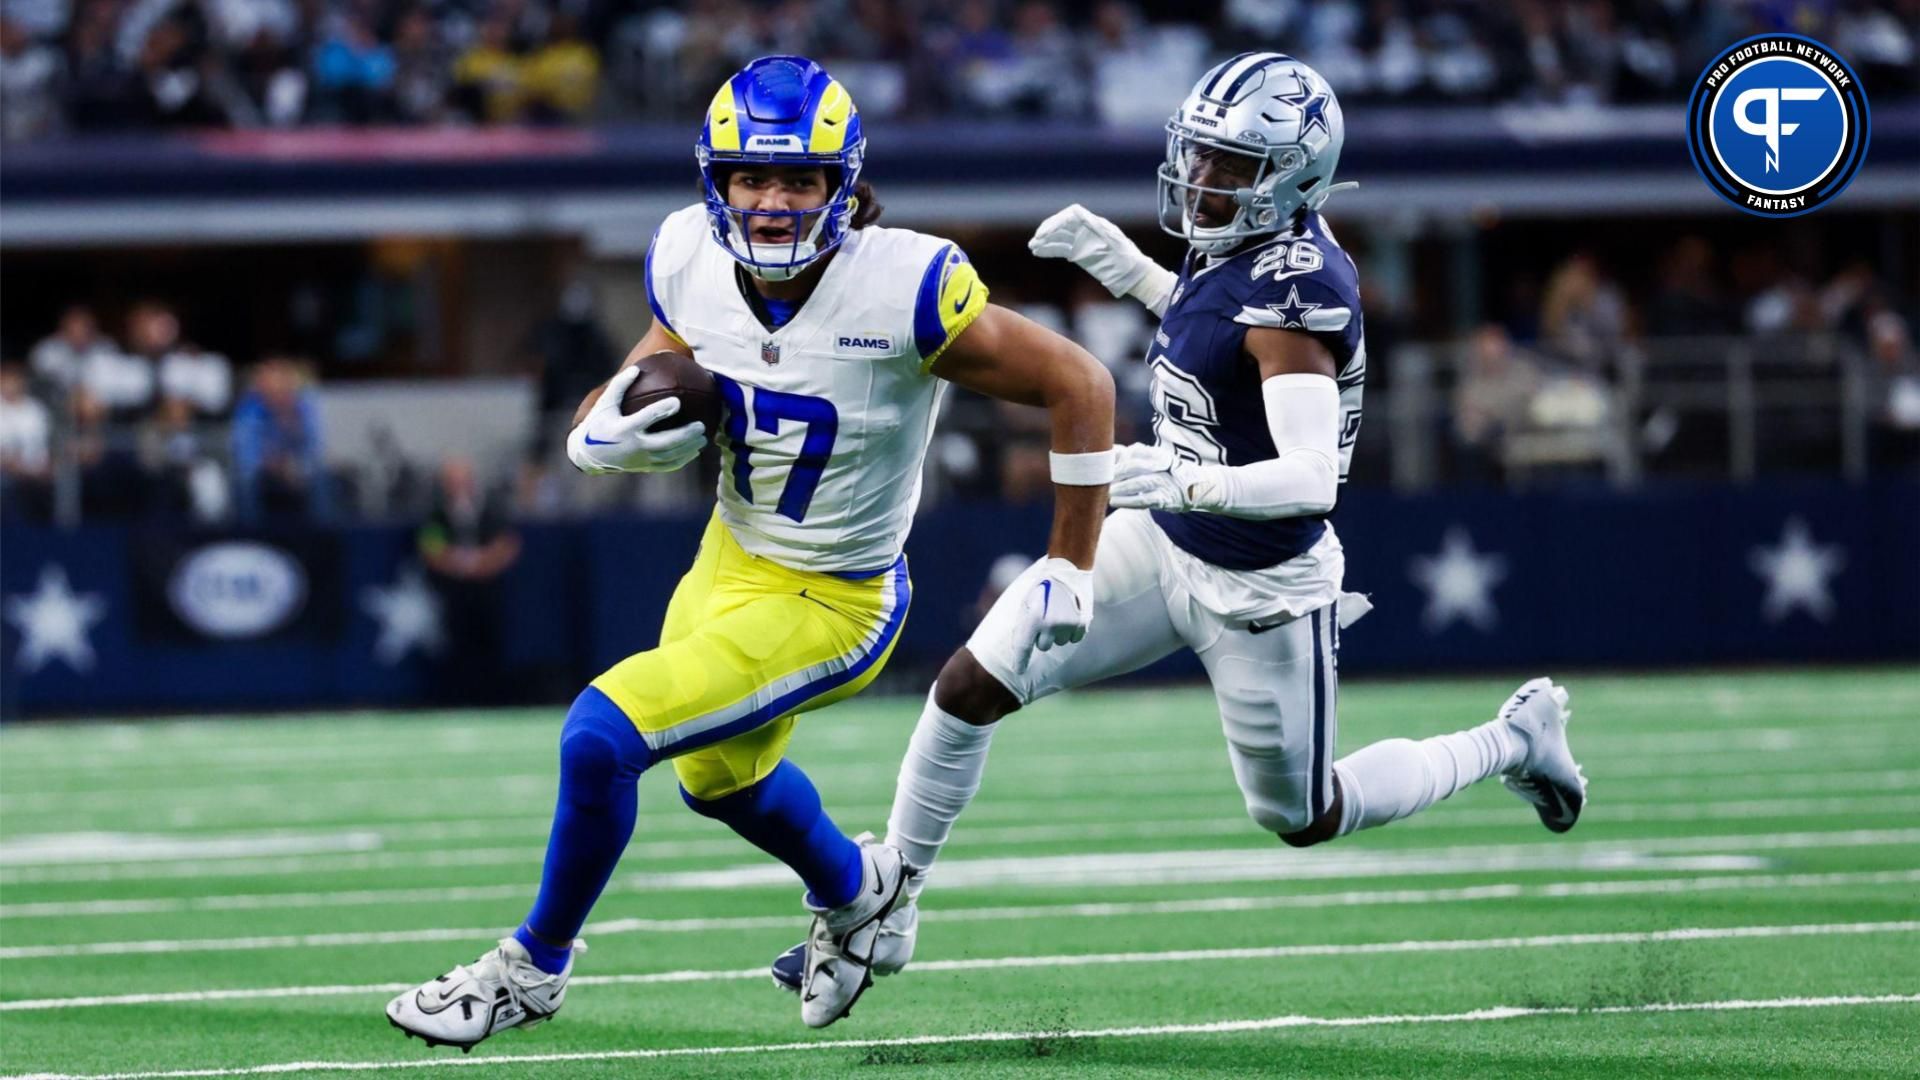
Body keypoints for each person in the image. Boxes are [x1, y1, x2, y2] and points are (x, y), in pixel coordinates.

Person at [767, 51, 1590, 1006]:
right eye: (1200, 156)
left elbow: (1312, 477)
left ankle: (1514, 740)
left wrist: (1185, 481)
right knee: (969, 685)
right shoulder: (1245, 252)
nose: (1202, 181)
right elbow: (1210, 325)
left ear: (1294, 176)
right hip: (1161, 539)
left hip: (1262, 585)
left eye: (1231, 168)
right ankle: (889, 905)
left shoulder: (1297, 297)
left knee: (1303, 811)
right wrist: (1132, 271)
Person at [385, 54, 1114, 1048]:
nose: (772, 202)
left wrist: (1072, 565)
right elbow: (663, 353)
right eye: (752, 178)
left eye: (799, 180)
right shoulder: (687, 253)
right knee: (715, 781)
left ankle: (530, 970)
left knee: (601, 737)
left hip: (836, 596)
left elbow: (1082, 384)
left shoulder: (904, 286)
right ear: (716, 180)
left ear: (841, 185)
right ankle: (863, 894)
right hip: (730, 554)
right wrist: (611, 413)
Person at [418, 456, 521, 704]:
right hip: (455, 595)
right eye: (453, 481)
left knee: (490, 646)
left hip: (488, 593)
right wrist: (459, 564)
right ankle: (457, 700)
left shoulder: (490, 508)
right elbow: (430, 547)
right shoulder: (437, 513)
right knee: (456, 649)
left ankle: (494, 700)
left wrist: (480, 563)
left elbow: (506, 544)